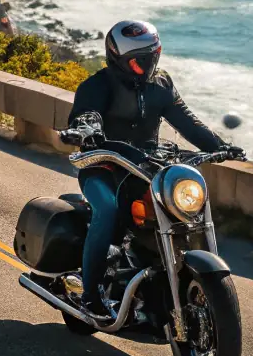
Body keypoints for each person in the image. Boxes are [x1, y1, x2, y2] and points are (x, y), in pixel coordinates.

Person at [66, 19, 238, 319]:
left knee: (180, 211)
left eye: (151, 56)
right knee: (107, 209)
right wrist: (87, 128)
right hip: (105, 167)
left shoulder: (161, 85)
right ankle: (90, 295)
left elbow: (187, 121)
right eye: (139, 60)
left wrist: (220, 146)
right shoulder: (97, 86)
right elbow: (85, 115)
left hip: (146, 168)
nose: (147, 65)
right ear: (117, 57)